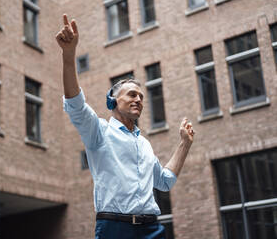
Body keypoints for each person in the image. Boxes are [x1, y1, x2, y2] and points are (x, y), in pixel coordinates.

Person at [56, 14, 195, 239]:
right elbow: (75, 105)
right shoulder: (99, 132)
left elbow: (165, 182)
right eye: (131, 94)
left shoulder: (144, 144)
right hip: (115, 228)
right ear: (112, 101)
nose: (138, 99)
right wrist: (68, 55)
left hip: (152, 229)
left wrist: (184, 144)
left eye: (141, 96)